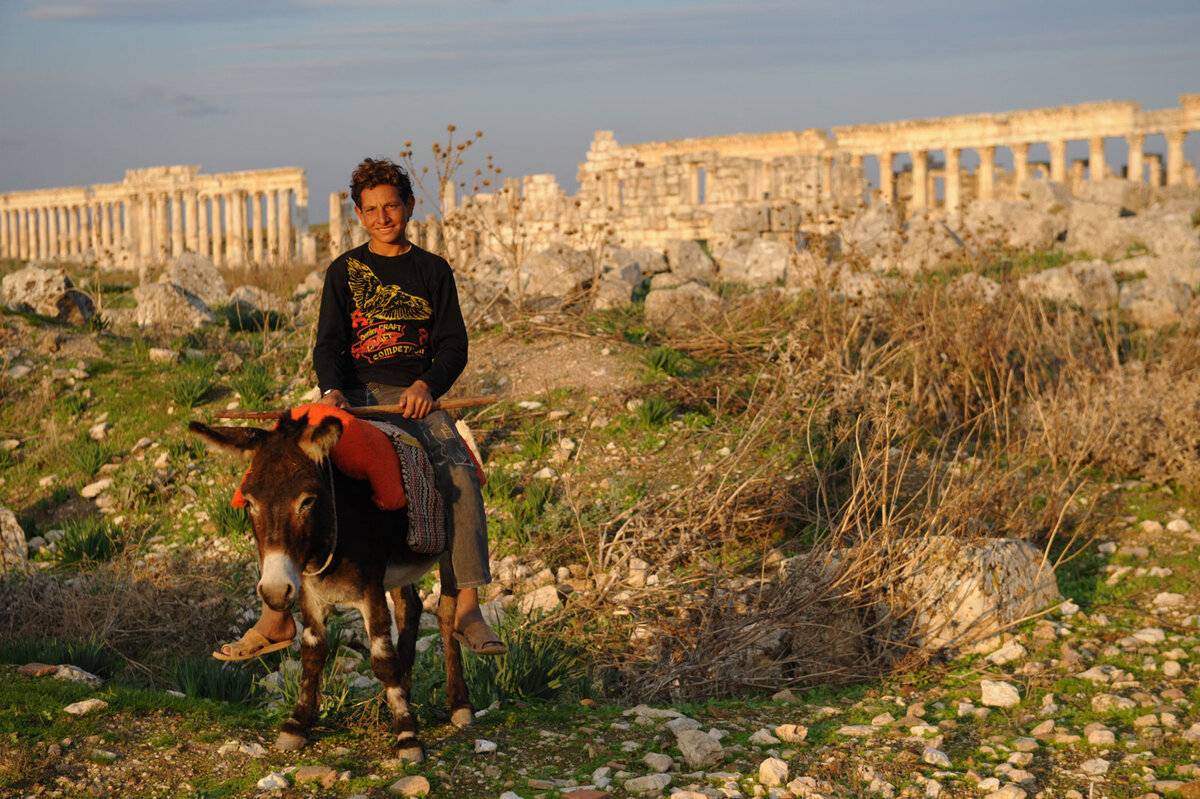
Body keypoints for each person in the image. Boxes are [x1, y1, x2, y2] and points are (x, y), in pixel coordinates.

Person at [215, 157, 505, 659]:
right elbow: (328, 346)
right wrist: (330, 391)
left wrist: (425, 384)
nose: (383, 217)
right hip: (349, 397)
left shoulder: (432, 270)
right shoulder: (343, 272)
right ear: (358, 214)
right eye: (371, 209)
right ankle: (276, 618)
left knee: (458, 471)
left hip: (414, 397)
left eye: (392, 206)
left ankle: (467, 608)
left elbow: (454, 345)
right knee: (276, 477)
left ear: (410, 206)